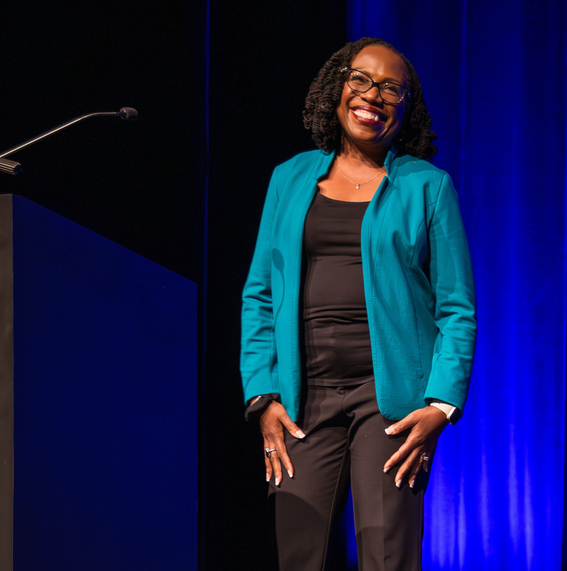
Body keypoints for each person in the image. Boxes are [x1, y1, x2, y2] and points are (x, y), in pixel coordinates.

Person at [240, 37, 476, 571]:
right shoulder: (290, 177)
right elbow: (259, 292)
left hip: (390, 403)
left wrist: (440, 406)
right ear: (338, 87)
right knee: (297, 555)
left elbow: (456, 307)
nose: (374, 95)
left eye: (393, 88)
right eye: (362, 79)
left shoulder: (428, 187)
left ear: (407, 108)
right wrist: (262, 395)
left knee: (386, 557)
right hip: (305, 401)